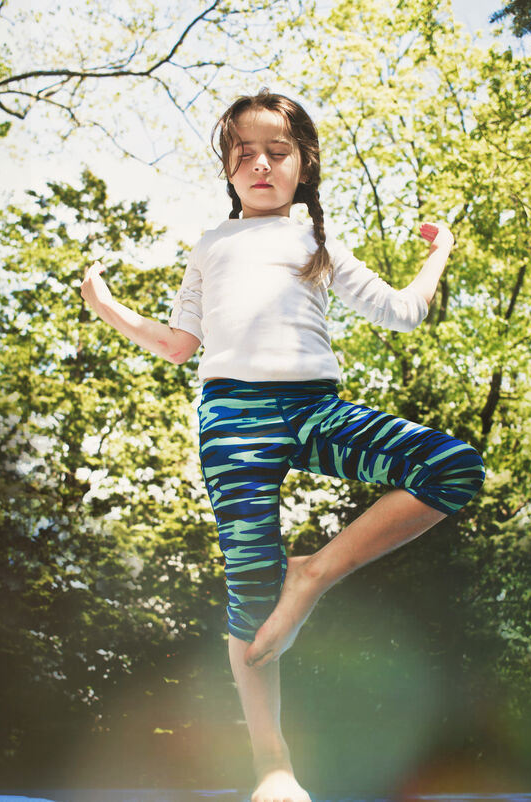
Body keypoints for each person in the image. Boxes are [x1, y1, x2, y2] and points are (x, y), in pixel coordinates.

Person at [79, 90, 485, 802]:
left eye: (277, 152)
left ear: (304, 164)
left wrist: (441, 251)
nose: (260, 165)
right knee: (249, 595)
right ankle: (272, 766)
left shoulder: (316, 244)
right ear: (228, 171)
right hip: (232, 423)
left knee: (452, 466)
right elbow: (179, 346)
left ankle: (316, 574)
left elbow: (404, 310)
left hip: (313, 409)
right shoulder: (212, 245)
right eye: (244, 155)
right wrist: (109, 308)